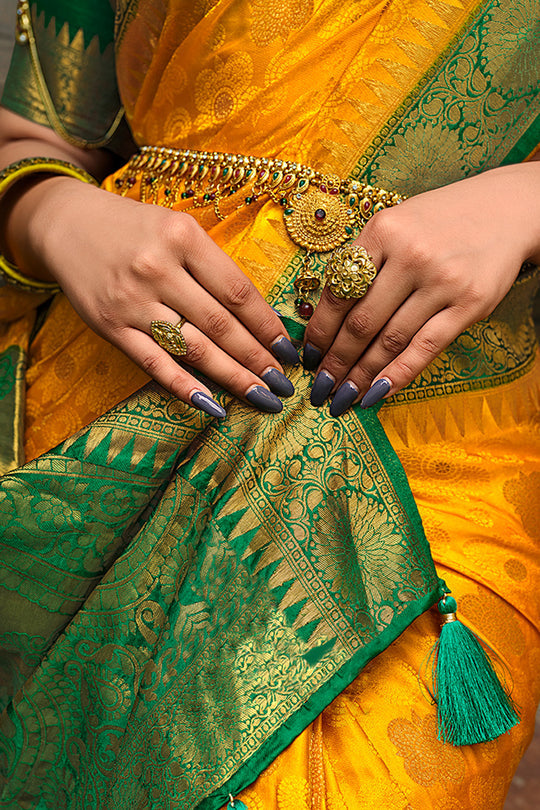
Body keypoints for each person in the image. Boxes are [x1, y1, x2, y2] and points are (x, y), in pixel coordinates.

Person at [0, 0, 539, 808]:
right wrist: (54, 213)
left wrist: (526, 202)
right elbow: (39, 130)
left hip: (432, 450)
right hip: (96, 416)